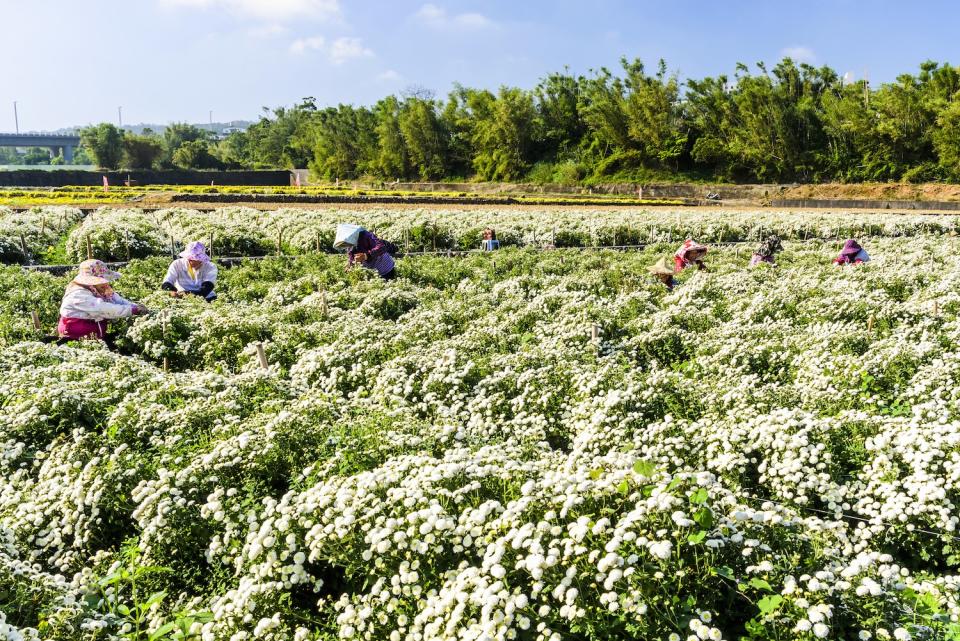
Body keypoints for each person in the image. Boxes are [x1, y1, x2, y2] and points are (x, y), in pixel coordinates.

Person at [57, 259, 146, 343]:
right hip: (73, 337)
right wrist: (132, 310)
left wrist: (136, 306)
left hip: (94, 336)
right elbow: (103, 308)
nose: (105, 283)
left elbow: (118, 300)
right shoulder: (78, 294)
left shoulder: (99, 288)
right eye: (101, 280)